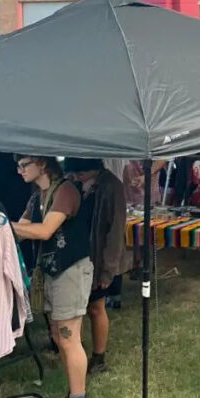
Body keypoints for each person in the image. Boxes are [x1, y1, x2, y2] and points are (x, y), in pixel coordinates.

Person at [11, 156, 93, 398]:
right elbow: (23, 230)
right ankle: (73, 393)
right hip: (51, 270)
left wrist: (4, 224)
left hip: (70, 269)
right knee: (59, 336)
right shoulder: (38, 195)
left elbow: (44, 230)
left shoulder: (65, 190)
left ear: (42, 164)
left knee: (68, 336)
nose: (19, 170)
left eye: (24, 164)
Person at [63, 158, 129, 376]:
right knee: (78, 310)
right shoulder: (74, 183)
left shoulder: (111, 186)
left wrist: (108, 270)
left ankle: (99, 358)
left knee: (95, 307)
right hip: (78, 255)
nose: (77, 177)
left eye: (80, 174)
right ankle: (77, 352)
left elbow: (116, 230)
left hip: (99, 259)